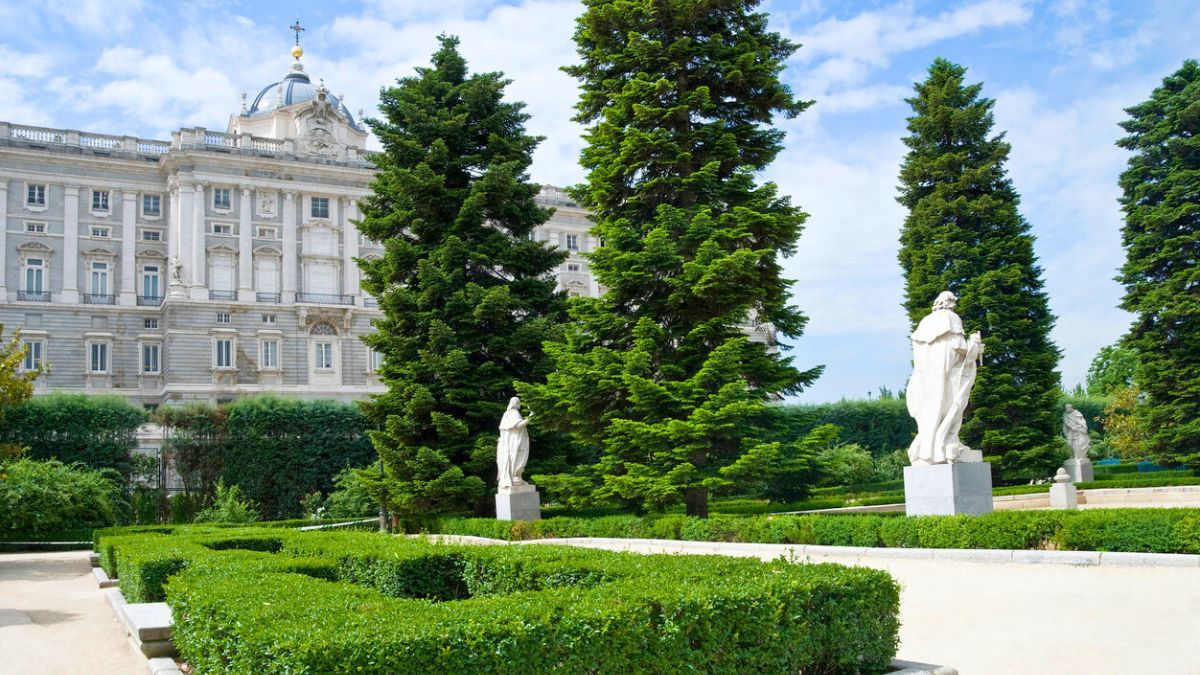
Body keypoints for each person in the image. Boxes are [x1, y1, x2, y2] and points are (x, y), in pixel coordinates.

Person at [906, 291, 984, 465]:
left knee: (930, 414)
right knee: (951, 408)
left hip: (925, 383)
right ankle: (941, 448)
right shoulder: (951, 318)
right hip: (947, 377)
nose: (953, 305)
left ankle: (927, 451)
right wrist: (975, 345)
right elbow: (958, 347)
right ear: (948, 303)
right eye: (952, 302)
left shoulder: (924, 323)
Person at [496, 396, 532, 489]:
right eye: (518, 402)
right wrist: (530, 417)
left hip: (513, 441)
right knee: (517, 459)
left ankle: (517, 477)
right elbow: (519, 425)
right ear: (515, 403)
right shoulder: (513, 413)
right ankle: (514, 477)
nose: (519, 404)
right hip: (515, 441)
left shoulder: (507, 413)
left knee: (516, 459)